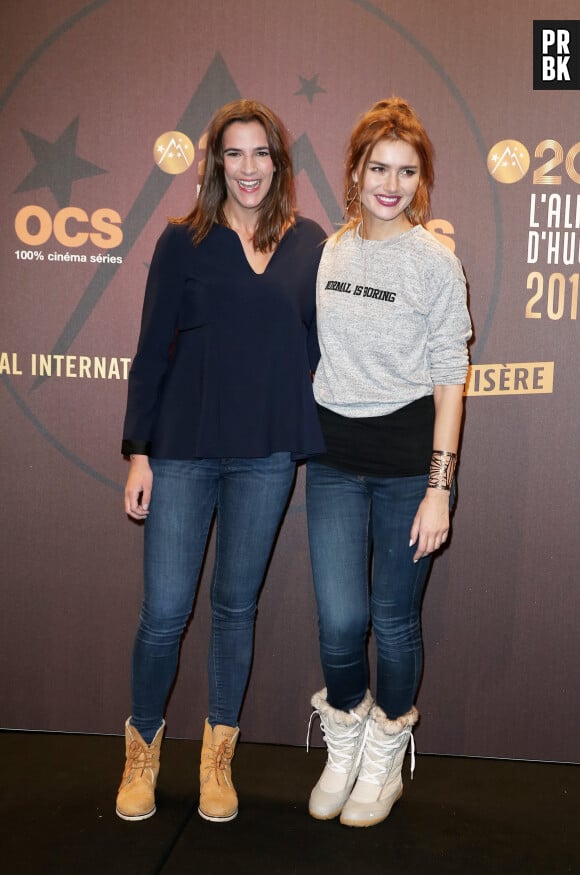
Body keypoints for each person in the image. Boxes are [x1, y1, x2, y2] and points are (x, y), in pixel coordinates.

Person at [115, 99, 326, 823]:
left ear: (280, 162)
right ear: (213, 164)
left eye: (260, 153)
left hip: (266, 455)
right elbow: (150, 353)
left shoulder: (310, 245)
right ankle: (141, 751)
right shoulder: (183, 241)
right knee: (166, 613)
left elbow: (325, 351)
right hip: (181, 453)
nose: (248, 168)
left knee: (236, 610)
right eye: (233, 154)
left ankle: (217, 760)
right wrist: (138, 452)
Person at [306, 98, 472, 828]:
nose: (391, 183)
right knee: (340, 622)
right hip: (334, 464)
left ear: (421, 180)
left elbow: (450, 379)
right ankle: (345, 737)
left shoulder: (436, 261)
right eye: (379, 166)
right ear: (355, 169)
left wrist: (440, 488)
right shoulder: (332, 248)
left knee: (392, 619)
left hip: (409, 469)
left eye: (407, 171)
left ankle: (385, 753)